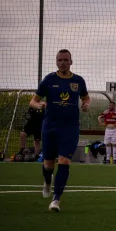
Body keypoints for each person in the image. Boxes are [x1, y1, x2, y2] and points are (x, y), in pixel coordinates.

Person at [30, 49, 90, 212]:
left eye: (66, 60)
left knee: (64, 161)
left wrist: (86, 105)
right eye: (60, 60)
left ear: (71, 61)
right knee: (49, 163)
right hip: (50, 127)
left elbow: (86, 97)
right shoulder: (49, 80)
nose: (63, 62)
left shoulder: (78, 81)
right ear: (56, 62)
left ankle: (56, 200)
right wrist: (39, 105)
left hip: (70, 128)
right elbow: (33, 101)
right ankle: (48, 182)